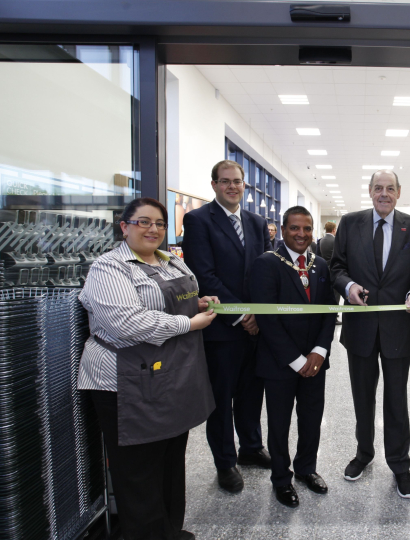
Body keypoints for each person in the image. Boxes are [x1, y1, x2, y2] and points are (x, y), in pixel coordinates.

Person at [78, 197, 217, 540]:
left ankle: (169, 530)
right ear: (124, 227)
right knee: (139, 472)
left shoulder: (172, 262)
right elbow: (126, 323)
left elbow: (177, 302)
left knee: (170, 463)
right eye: (143, 222)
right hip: (125, 382)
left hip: (170, 376)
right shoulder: (109, 268)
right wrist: (189, 324)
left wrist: (198, 303)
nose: (152, 229)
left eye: (159, 223)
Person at [330, 169, 410, 499]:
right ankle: (364, 453)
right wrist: (348, 286)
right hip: (360, 328)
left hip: (397, 329)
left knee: (396, 399)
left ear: (399, 192)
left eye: (390, 188)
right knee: (362, 397)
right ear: (370, 191)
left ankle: (399, 464)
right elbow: (336, 267)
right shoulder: (350, 223)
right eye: (378, 188)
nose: (384, 193)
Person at [182, 160, 272, 494]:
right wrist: (241, 313)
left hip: (255, 328)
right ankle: (225, 461)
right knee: (221, 399)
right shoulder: (198, 220)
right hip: (222, 329)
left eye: (237, 181)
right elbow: (203, 275)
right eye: (225, 181)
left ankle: (251, 447)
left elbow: (266, 271)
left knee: (251, 393)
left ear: (244, 185)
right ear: (214, 185)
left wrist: (258, 313)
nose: (232, 187)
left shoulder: (256, 222)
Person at [250, 206, 337, 508]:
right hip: (279, 362)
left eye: (307, 229)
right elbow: (267, 319)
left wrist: (319, 351)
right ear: (283, 229)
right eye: (295, 228)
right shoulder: (266, 263)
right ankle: (281, 478)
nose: (301, 234)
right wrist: (297, 360)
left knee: (311, 418)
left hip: (316, 361)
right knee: (279, 423)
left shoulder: (320, 265)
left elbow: (329, 311)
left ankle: (306, 468)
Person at [317, 221, 342, 323]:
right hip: (334, 270)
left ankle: (329, 314)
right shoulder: (335, 240)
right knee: (335, 295)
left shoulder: (321, 240)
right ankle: (334, 316)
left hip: (324, 269)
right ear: (334, 229)